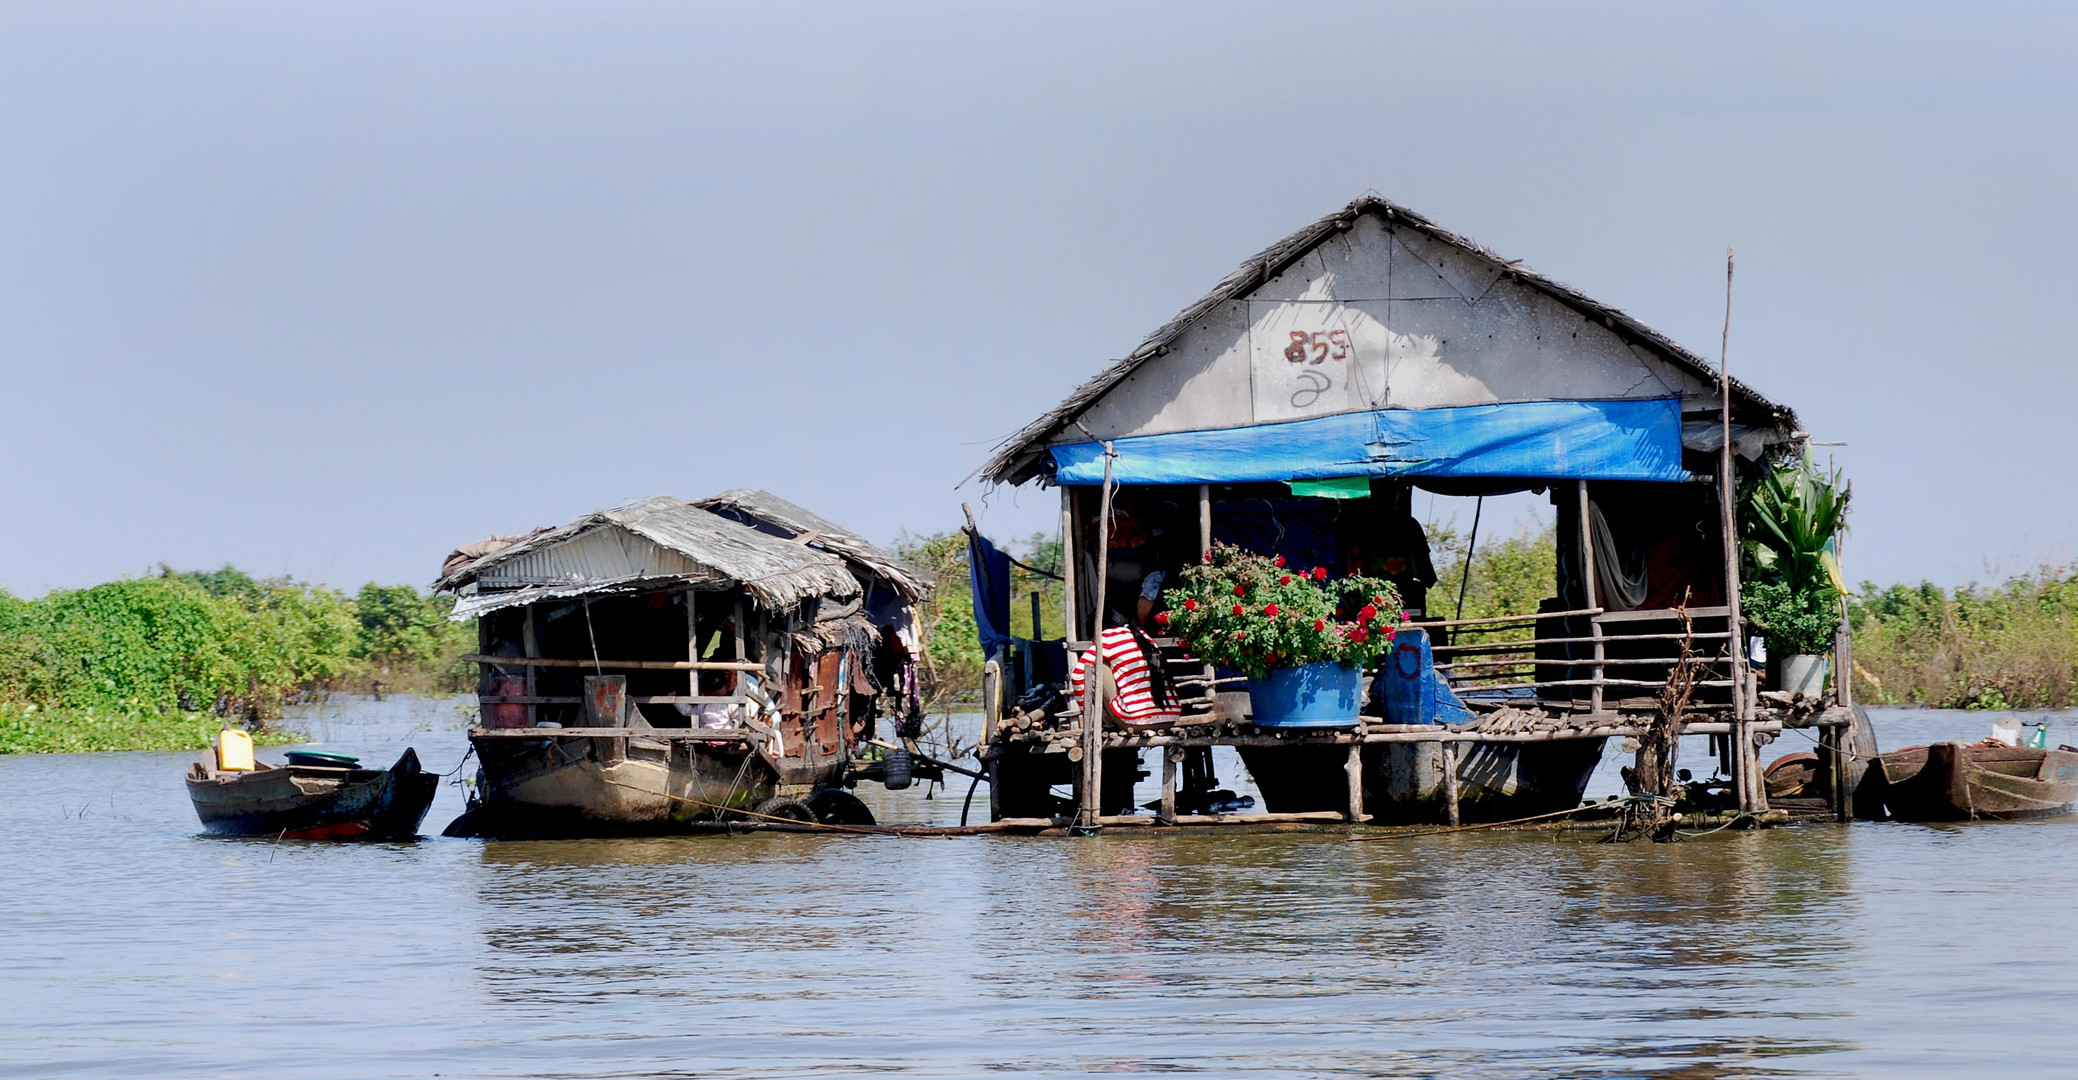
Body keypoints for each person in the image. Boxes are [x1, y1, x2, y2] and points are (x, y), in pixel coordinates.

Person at [1069, 608, 1181, 728]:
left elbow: (1077, 674)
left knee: (1098, 666)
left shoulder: (1107, 638)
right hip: (1170, 717)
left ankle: (1104, 723)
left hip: (1136, 721)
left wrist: (1086, 714)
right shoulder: (1143, 637)